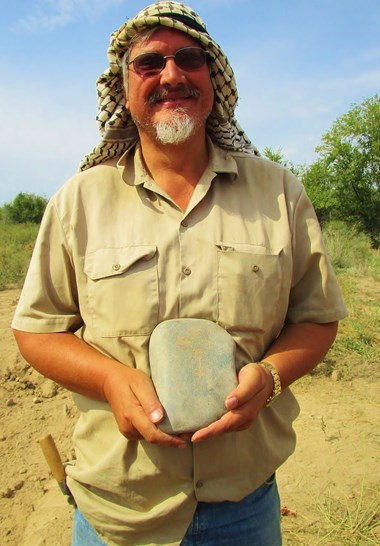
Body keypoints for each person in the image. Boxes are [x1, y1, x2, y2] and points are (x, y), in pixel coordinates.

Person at [12, 2, 348, 545]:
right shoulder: (80, 202)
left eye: (189, 59)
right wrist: (110, 380)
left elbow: (317, 319)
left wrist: (271, 377)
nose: (172, 74)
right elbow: (36, 329)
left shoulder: (278, 192)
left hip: (245, 503)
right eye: (149, 64)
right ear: (124, 89)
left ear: (212, 79)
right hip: (119, 510)